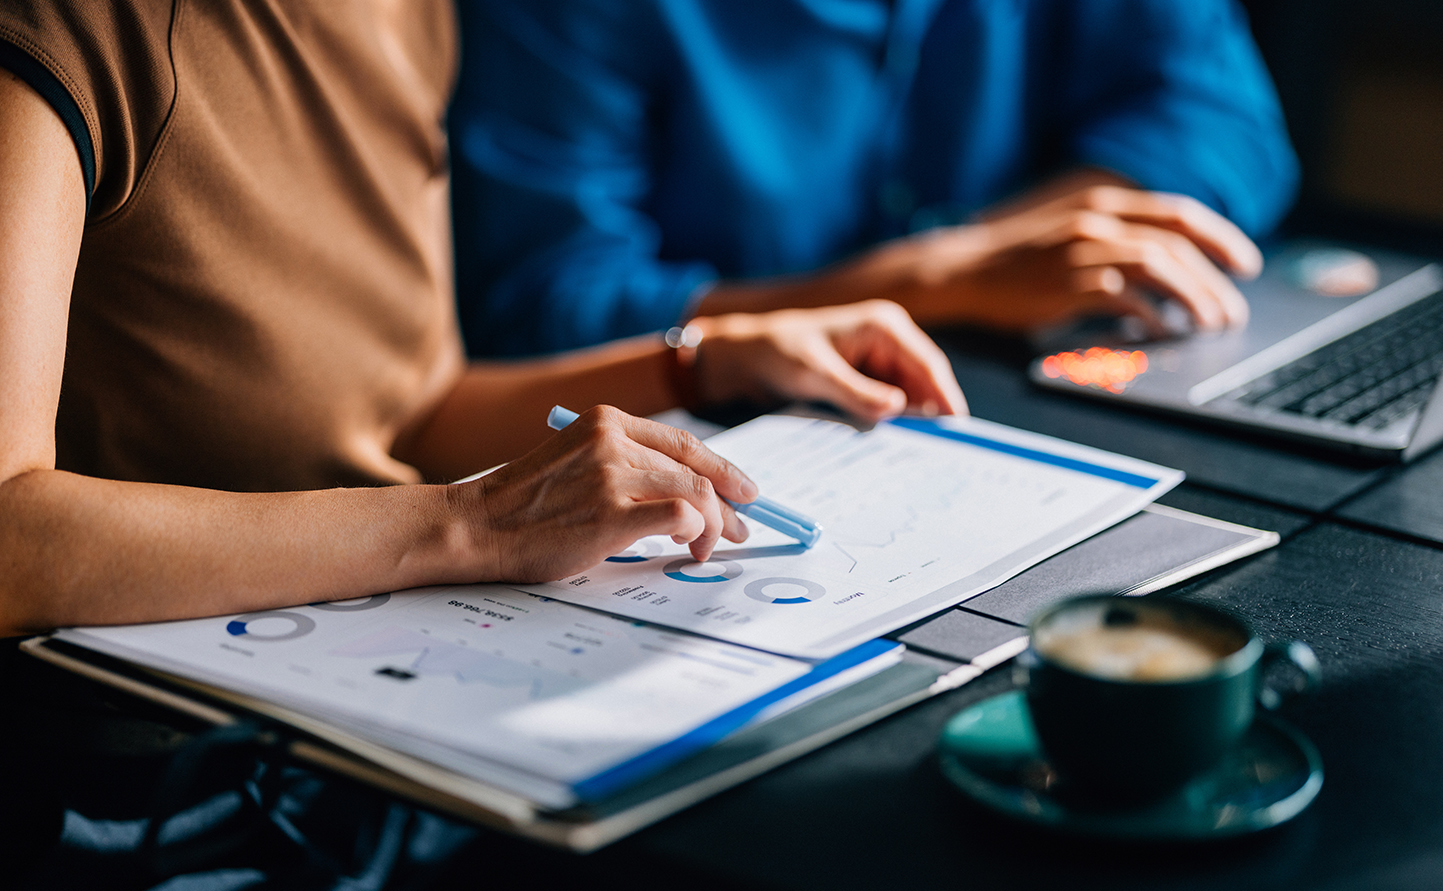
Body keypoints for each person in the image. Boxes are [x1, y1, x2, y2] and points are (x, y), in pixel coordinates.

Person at [0, 2, 964, 640]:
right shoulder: (58, 29)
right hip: (135, 785)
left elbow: (415, 409)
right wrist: (467, 524)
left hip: (354, 699)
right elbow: (11, 539)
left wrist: (702, 365)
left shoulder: (402, 15)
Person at [450, 0, 1299, 357]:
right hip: (726, 435)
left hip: (1024, 377)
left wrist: (982, 257)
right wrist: (933, 281)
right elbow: (546, 308)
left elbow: (1223, 126)